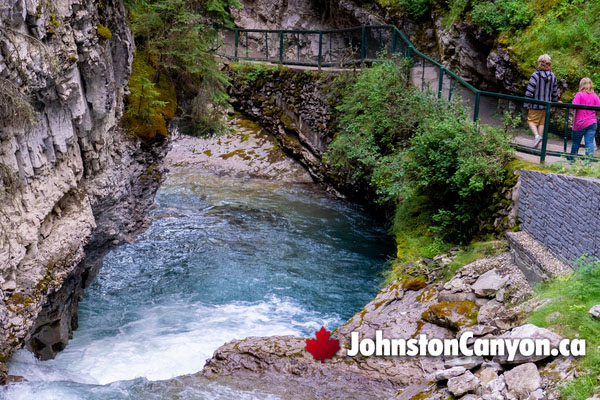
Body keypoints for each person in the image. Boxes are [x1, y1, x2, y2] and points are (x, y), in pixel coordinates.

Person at [524, 54, 559, 148]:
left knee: (531, 121)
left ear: (539, 63)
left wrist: (527, 103)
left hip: (535, 105)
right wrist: (554, 103)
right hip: (546, 105)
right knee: (542, 123)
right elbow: (555, 92)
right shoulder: (553, 76)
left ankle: (536, 136)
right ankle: (538, 142)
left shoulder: (535, 75)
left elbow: (530, 90)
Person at [570, 77, 600, 158]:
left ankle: (572, 159)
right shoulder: (595, 96)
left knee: (576, 142)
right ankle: (588, 161)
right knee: (589, 142)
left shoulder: (579, 94)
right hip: (592, 123)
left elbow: (573, 107)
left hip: (579, 123)